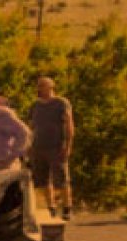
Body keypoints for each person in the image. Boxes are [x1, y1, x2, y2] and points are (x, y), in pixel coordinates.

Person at [29, 76, 75, 220]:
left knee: (61, 178)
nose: (40, 88)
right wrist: (29, 145)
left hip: (56, 146)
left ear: (51, 87)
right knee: (42, 180)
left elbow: (69, 124)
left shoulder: (61, 103)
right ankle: (50, 207)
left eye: (43, 85)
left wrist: (68, 144)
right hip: (38, 146)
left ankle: (67, 208)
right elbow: (31, 126)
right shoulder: (35, 105)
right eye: (39, 86)